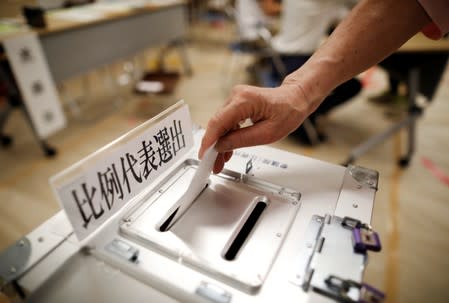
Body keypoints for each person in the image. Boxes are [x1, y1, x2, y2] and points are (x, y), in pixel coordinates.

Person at [199, 0, 449, 174]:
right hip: (295, 59)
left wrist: (300, 92)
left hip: (278, 52)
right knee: (355, 86)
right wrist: (299, 93)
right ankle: (311, 116)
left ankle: (310, 115)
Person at [268, 0, 360, 144]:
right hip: (297, 60)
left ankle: (307, 115)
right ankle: (306, 115)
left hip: (278, 56)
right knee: (352, 86)